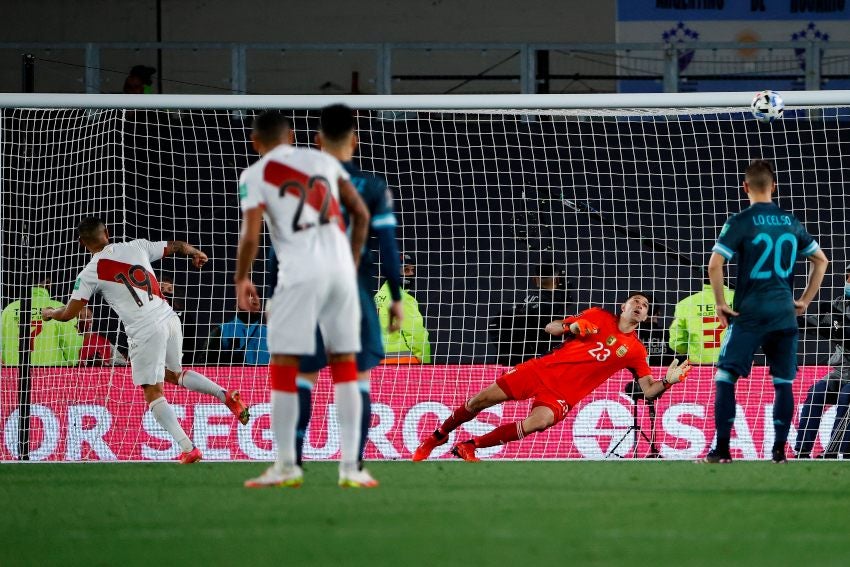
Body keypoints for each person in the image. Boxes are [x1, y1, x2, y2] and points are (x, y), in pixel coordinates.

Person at [235, 110, 372, 489]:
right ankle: (351, 469)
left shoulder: (254, 174)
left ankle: (286, 466)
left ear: (255, 142)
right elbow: (360, 214)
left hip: (299, 275)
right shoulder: (323, 160)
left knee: (283, 366)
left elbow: (251, 236)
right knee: (345, 364)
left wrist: (242, 276)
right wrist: (351, 261)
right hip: (341, 274)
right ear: (293, 135)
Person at [41, 218, 250, 464]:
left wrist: (51, 313)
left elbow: (69, 314)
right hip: (169, 318)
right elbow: (175, 245)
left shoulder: (90, 272)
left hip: (145, 329)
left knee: (153, 391)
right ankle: (225, 395)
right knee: (174, 374)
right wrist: (195, 252)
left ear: (81, 243)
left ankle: (188, 448)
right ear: (107, 233)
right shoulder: (137, 246)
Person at [412, 292, 691, 462]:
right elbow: (551, 328)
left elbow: (649, 390)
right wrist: (573, 326)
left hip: (563, 393)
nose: (640, 306)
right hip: (540, 371)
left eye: (644, 305)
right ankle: (438, 436)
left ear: (644, 317)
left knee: (540, 422)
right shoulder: (596, 315)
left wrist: (669, 380)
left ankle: (470, 446)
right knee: (478, 401)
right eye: (636, 301)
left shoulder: (636, 351)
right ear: (624, 306)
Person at [292, 104, 404, 480]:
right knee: (356, 378)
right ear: (354, 140)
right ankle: (351, 467)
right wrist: (397, 297)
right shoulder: (373, 187)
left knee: (304, 375)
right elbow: (388, 247)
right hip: (352, 289)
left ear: (317, 141)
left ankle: (292, 462)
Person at [703, 159, 829, 464]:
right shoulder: (790, 222)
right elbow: (822, 261)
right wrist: (804, 301)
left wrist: (721, 303)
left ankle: (721, 450)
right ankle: (778, 452)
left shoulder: (740, 221)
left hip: (750, 312)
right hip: (784, 313)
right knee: (783, 383)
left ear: (745, 187)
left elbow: (715, 265)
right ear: (774, 187)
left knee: (725, 377)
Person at [795, 265, 850, 459]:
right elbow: (816, 323)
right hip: (842, 370)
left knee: (846, 396)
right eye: (848, 277)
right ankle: (802, 450)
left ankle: (834, 452)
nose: (849, 282)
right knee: (817, 391)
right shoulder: (838, 304)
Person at [488, 263, 574, 366]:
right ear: (557, 279)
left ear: (535, 279)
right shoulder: (553, 305)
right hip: (537, 362)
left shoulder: (527, 300)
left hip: (512, 361)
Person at [1, 277, 83, 366]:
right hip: (52, 372)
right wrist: (73, 363)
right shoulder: (59, 308)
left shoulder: (9, 309)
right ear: (48, 283)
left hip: (15, 371)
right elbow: (71, 342)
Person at [375, 252, 431, 363]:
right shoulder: (402, 299)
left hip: (379, 364)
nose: (411, 274)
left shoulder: (377, 297)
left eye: (412, 270)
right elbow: (416, 334)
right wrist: (426, 365)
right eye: (406, 270)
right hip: (404, 364)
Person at [668, 283, 735, 364]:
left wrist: (693, 349)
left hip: (700, 369)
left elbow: (677, 344)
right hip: (736, 367)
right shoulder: (739, 299)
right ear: (724, 272)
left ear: (701, 278)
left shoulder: (686, 304)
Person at [202, 295, 270, 365]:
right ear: (237, 306)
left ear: (260, 308)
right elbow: (204, 364)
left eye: (254, 304)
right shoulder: (220, 331)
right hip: (229, 375)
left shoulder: (270, 334)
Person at [160, 275, 199, 364]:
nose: (166, 293)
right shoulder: (148, 315)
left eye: (170, 290)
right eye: (162, 289)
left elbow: (192, 344)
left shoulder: (185, 317)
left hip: (180, 364)